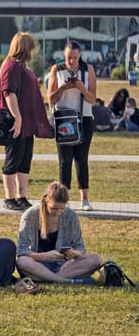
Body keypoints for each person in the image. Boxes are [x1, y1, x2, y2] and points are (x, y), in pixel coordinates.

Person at [0, 32, 54, 211]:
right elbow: (9, 92)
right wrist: (18, 117)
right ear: (24, 47)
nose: (32, 50)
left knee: (24, 160)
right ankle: (9, 198)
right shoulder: (11, 65)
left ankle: (21, 196)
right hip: (17, 122)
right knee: (13, 159)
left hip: (27, 123)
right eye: (30, 47)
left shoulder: (23, 67)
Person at [16, 182, 103, 283]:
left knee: (96, 259)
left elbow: (80, 247)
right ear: (46, 200)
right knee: (22, 262)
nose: (58, 212)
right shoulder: (30, 215)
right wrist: (44, 256)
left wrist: (75, 254)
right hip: (37, 264)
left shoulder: (71, 215)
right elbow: (22, 250)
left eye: (62, 208)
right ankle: (66, 281)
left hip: (63, 266)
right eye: (54, 208)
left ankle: (49, 278)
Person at [47, 41, 98, 211]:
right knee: (64, 161)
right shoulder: (57, 69)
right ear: (64, 56)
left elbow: (92, 99)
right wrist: (63, 88)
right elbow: (50, 98)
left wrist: (82, 88)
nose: (72, 61)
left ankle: (85, 199)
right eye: (69, 58)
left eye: (75, 58)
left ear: (80, 56)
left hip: (84, 118)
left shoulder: (88, 69)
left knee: (82, 159)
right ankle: (64, 199)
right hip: (64, 119)